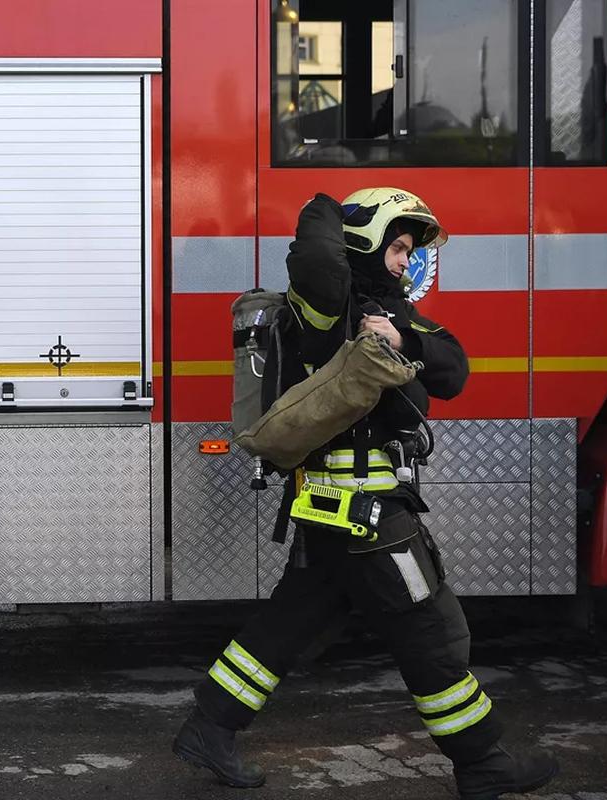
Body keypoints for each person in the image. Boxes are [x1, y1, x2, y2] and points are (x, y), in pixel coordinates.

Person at [171, 188, 560, 800]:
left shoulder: (393, 313)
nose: (406, 260)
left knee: (290, 622)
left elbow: (454, 371)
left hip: (335, 515)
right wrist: (331, 202)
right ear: (367, 242)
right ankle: (483, 762)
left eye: (410, 250)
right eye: (397, 246)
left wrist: (404, 337)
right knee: (433, 632)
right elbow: (319, 261)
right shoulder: (325, 307)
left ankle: (209, 726)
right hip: (364, 515)